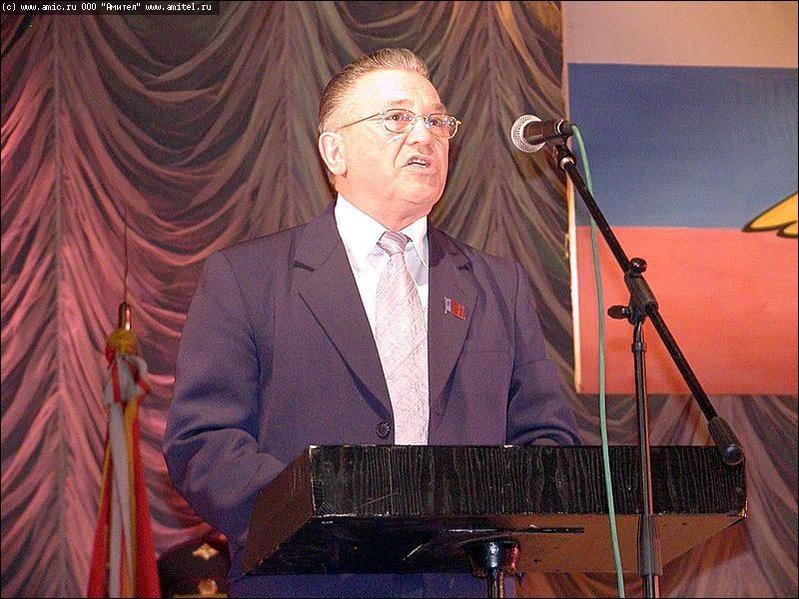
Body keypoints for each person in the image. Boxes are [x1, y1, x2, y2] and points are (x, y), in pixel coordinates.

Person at [164, 48, 580, 598]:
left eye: (437, 121)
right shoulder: (247, 279)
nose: (425, 136)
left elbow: (546, 442)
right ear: (334, 151)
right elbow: (204, 443)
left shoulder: (499, 286)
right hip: (310, 582)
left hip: (459, 584)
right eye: (397, 118)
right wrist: (326, 519)